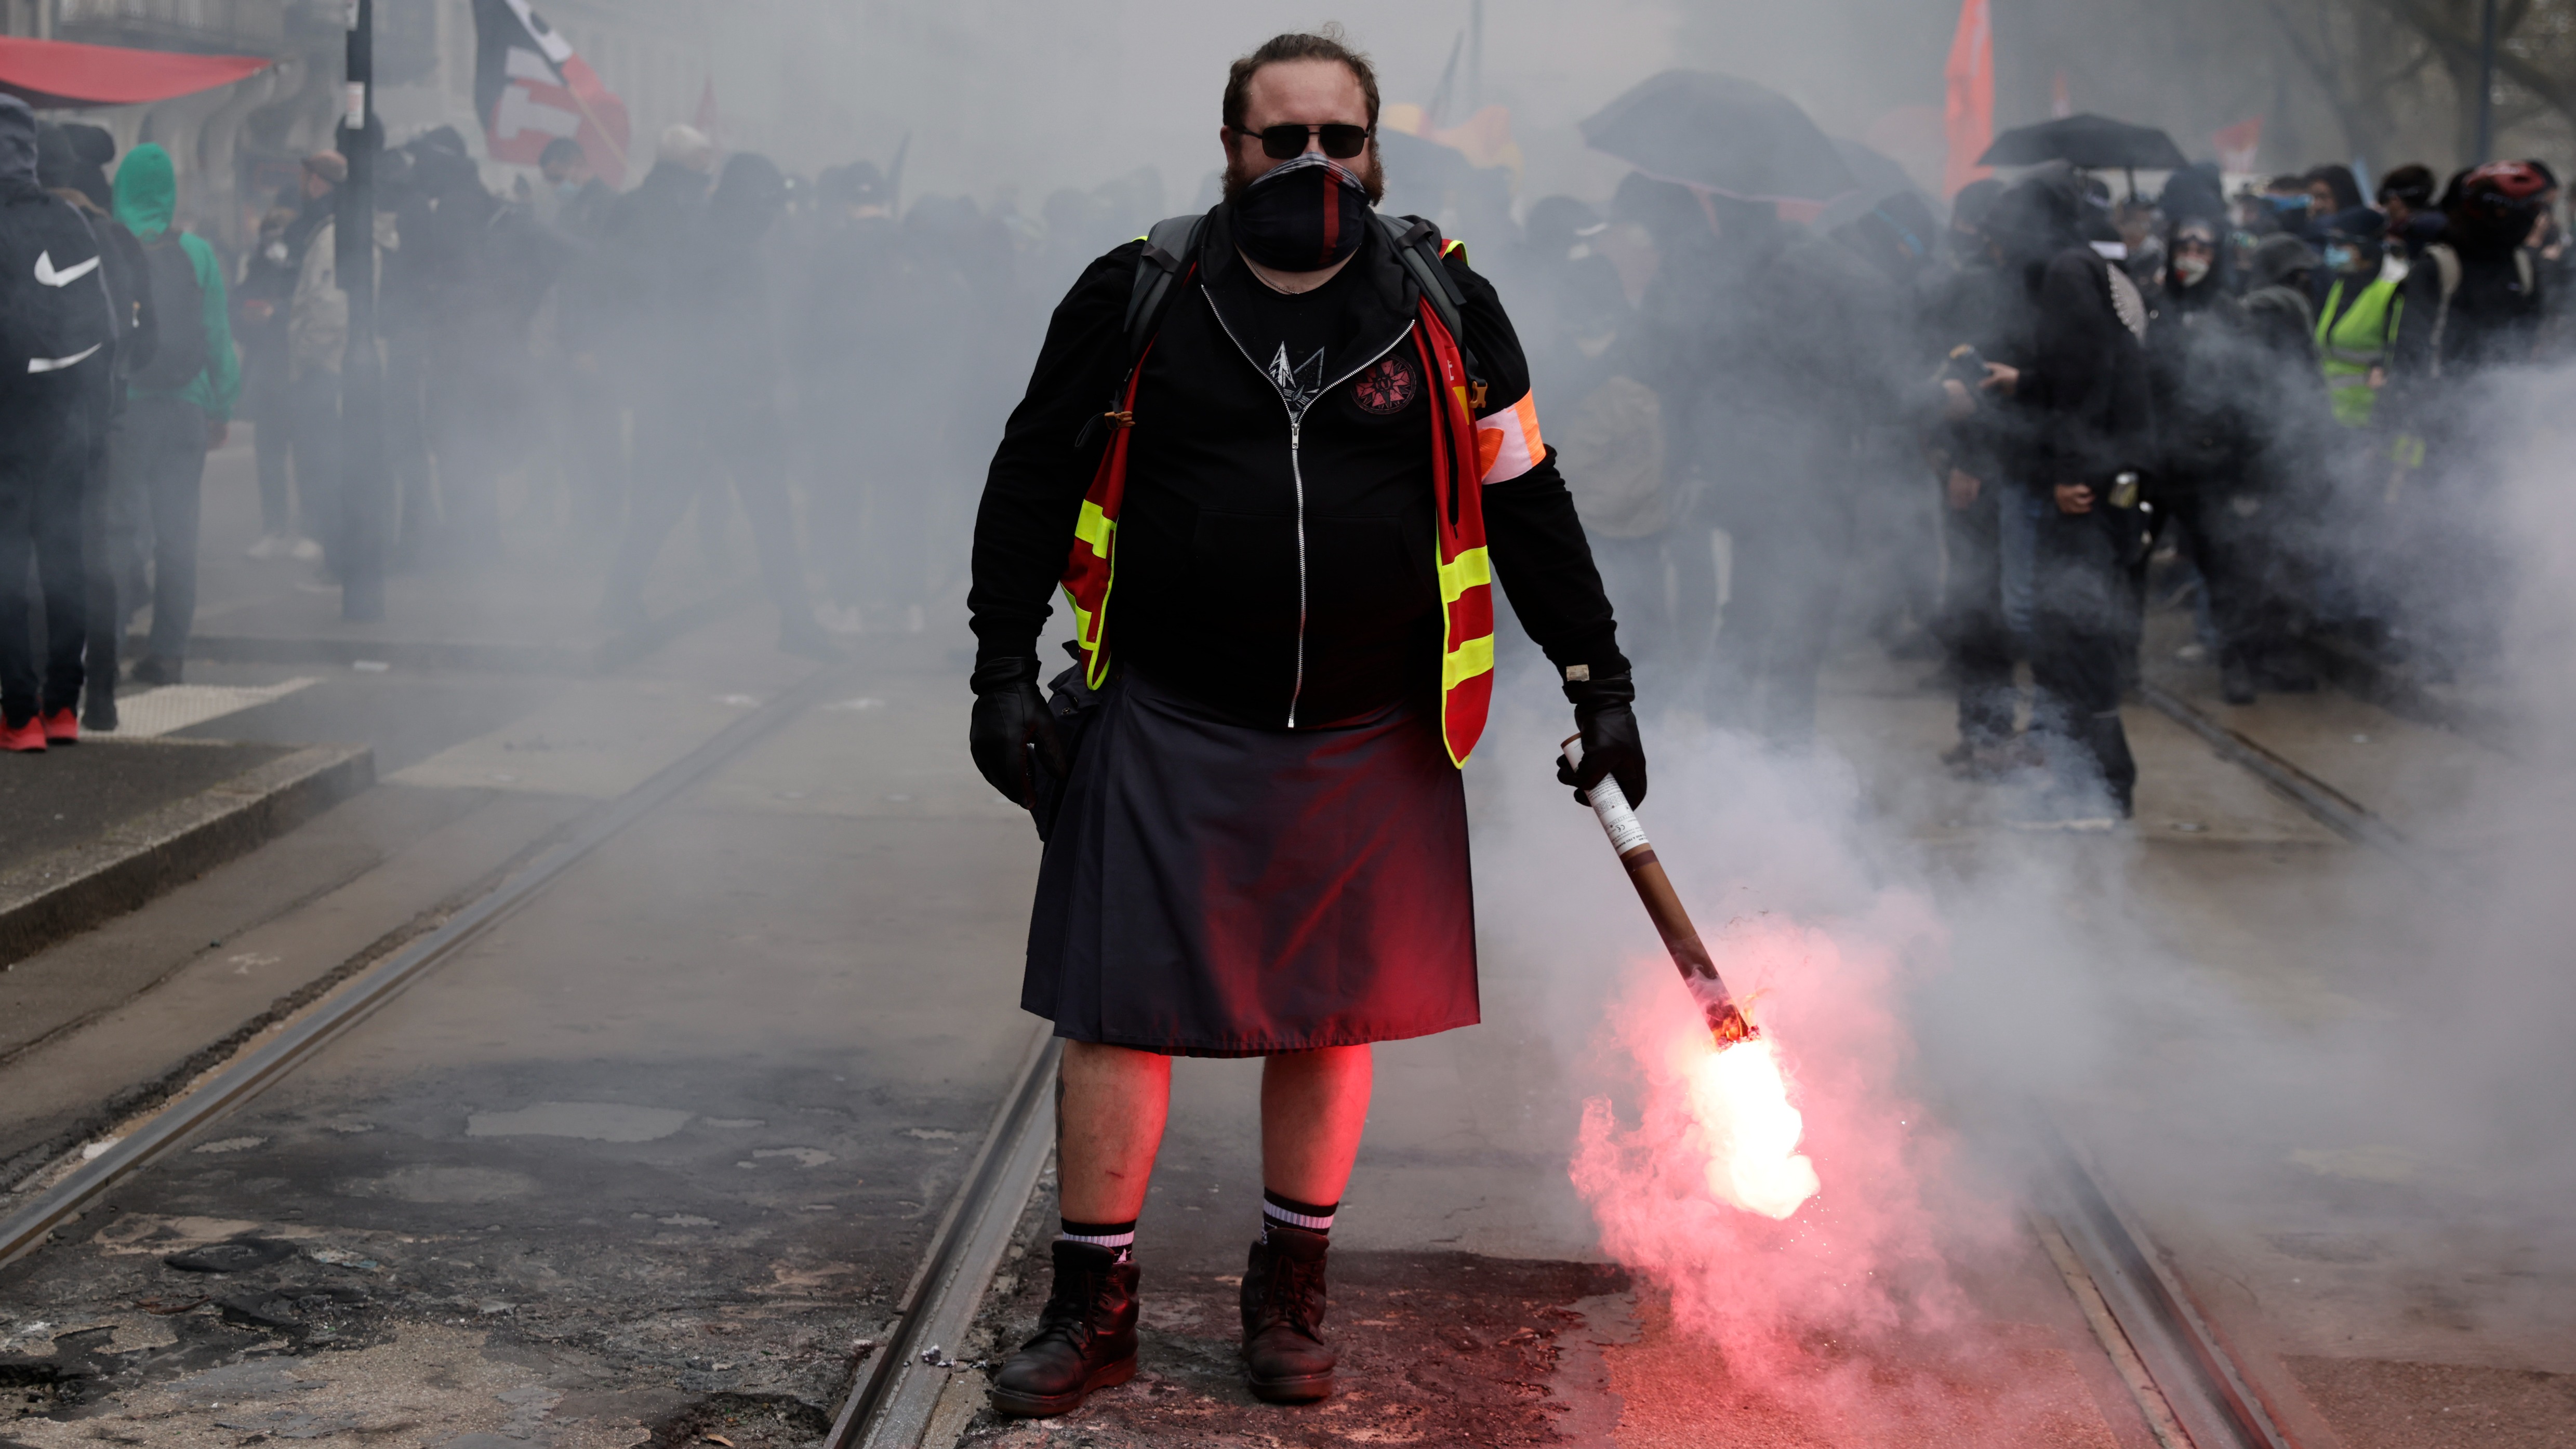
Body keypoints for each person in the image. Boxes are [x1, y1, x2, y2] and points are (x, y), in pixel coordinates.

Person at [966, 29, 1640, 1415]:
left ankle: (1290, 1291)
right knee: (1111, 1015)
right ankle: (1092, 1304)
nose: (1315, 164)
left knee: (1327, 1019)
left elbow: (1523, 495)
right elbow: (1033, 470)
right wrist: (996, 664)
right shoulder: (1140, 288)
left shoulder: (1446, 305)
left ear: (1377, 147)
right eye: (1285, 139)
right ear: (1231, 147)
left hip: (1368, 721)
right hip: (1162, 704)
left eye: (1341, 138)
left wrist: (1598, 672)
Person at [1977, 167, 2154, 822]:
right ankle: (2076, 776)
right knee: (2060, 633)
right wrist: (2021, 382)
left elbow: (2087, 389)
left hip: (2092, 481)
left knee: (2076, 635)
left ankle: (2103, 788)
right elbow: (2077, 374)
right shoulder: (2086, 269)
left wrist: (2069, 473)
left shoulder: (2064, 275)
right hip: (2107, 473)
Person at [604, 150, 832, 656]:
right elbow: (696, 328)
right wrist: (735, 386)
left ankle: (795, 621)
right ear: (747, 202)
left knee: (765, 514)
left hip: (733, 402)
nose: (771, 217)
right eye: (766, 206)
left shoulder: (729, 239)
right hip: (708, 404)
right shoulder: (708, 244)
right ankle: (618, 597)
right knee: (667, 505)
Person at [0, 97, 117, 750]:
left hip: (6, 419)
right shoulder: (68, 218)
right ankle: (61, 707)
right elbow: (101, 326)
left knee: (6, 568)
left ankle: (17, 716)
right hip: (67, 416)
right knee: (64, 562)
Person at [35, 122, 154, 732]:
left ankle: (44, 691)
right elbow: (148, 335)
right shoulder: (119, 238)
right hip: (105, 416)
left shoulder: (35, 231)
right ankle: (101, 694)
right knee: (95, 551)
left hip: (46, 417)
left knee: (40, 553)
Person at [109, 142, 237, 688]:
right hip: (186, 407)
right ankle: (167, 655)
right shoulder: (199, 253)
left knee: (119, 531)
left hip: (127, 409)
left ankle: (107, 643)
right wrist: (221, 405)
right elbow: (218, 338)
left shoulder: (109, 247)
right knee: (178, 538)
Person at [235, 207, 314, 562]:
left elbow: (309, 307)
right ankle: (274, 528)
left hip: (299, 370)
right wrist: (247, 316)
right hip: (268, 373)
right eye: (270, 233)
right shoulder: (258, 266)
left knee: (308, 454)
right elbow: (238, 308)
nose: (274, 242)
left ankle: (312, 529)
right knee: (269, 455)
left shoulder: (305, 263)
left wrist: (277, 314)